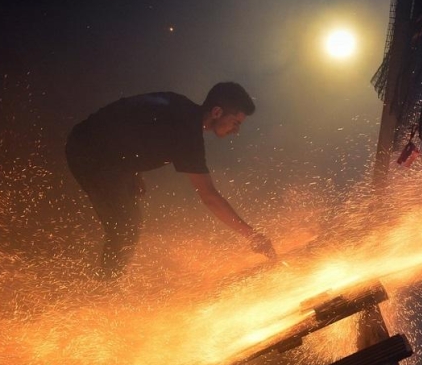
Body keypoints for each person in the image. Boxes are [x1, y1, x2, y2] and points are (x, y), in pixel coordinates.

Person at [66, 81, 276, 280]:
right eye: (235, 122)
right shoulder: (187, 134)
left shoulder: (179, 105)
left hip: (98, 148)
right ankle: (103, 293)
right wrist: (253, 236)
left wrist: (131, 169)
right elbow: (209, 197)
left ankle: (107, 282)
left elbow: (130, 121)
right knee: (126, 227)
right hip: (88, 152)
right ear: (217, 112)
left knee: (131, 222)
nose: (236, 131)